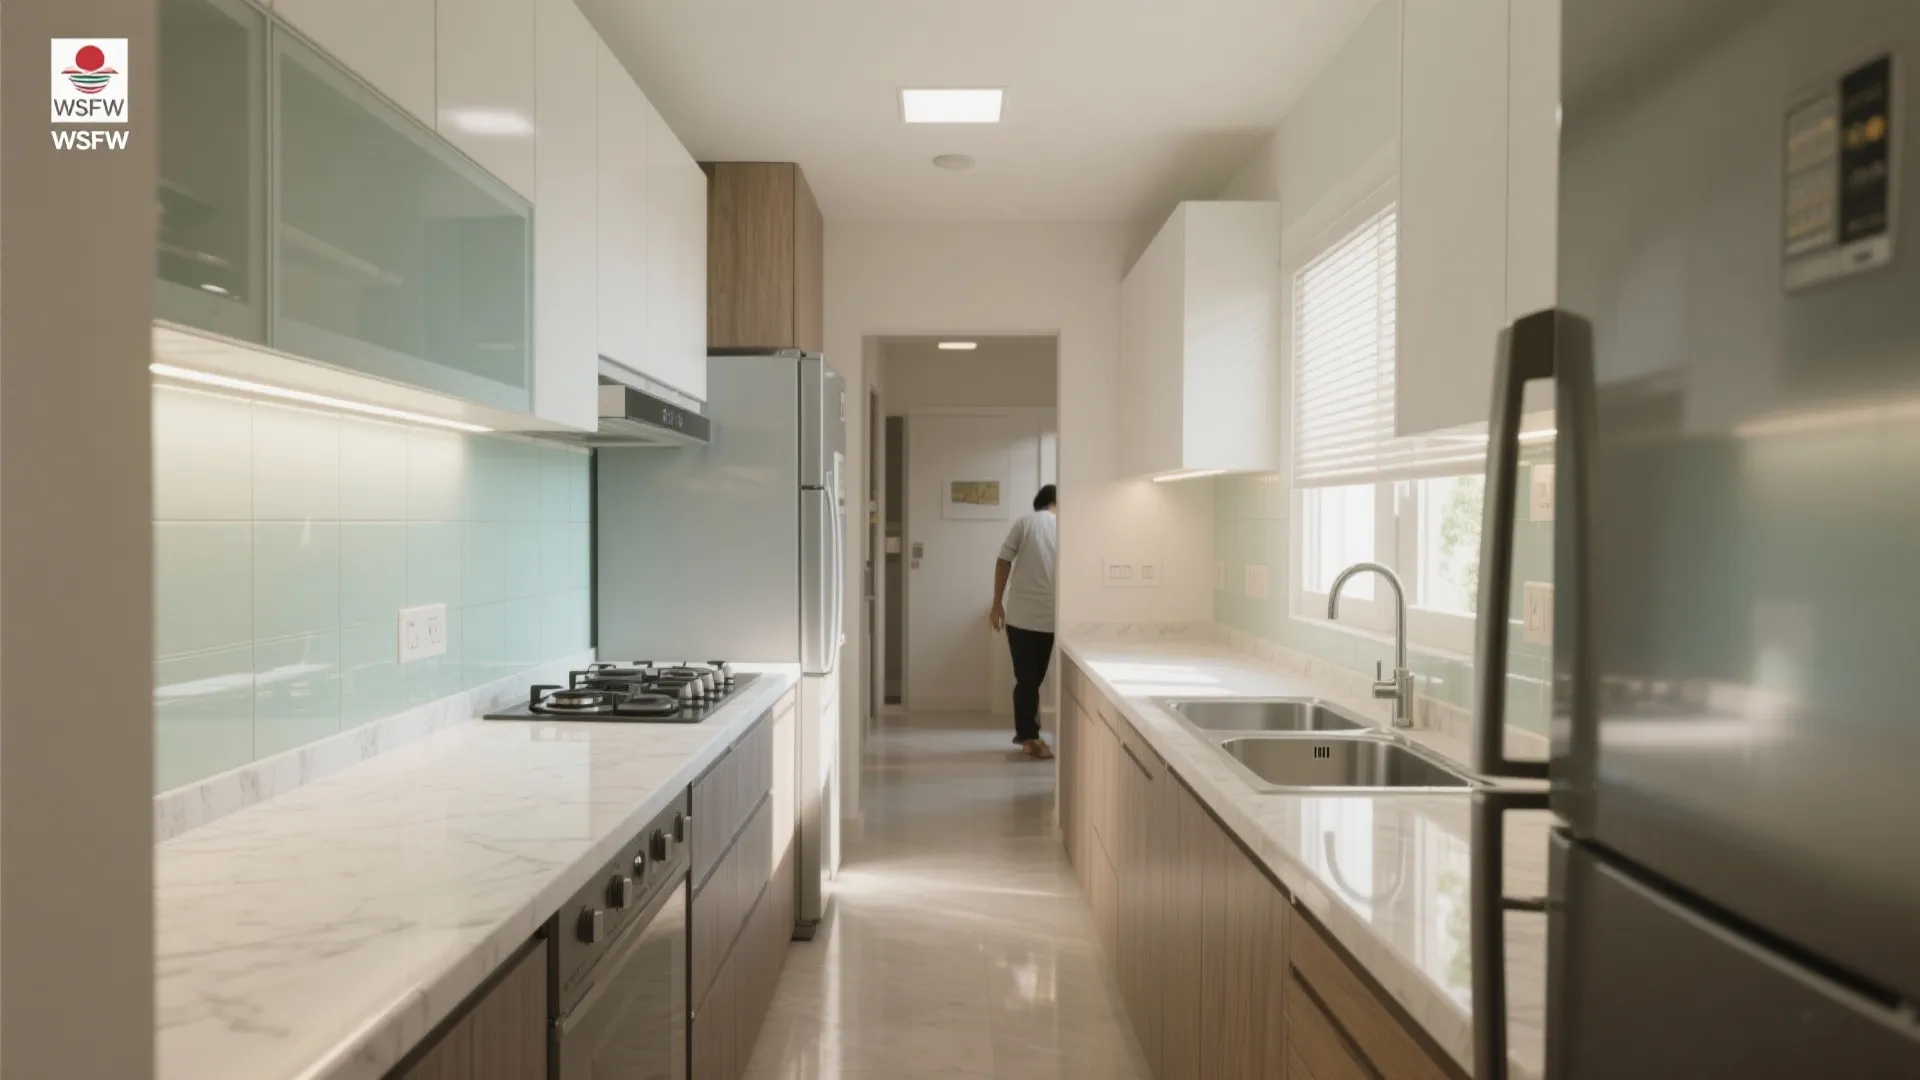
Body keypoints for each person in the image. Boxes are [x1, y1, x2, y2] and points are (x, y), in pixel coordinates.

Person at [990, 484, 1058, 760]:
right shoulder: (1064, 527)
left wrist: (997, 604)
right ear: (1056, 502)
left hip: (1020, 616)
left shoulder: (1024, 523)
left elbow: (1003, 560)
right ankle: (1030, 736)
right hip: (1052, 616)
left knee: (1027, 679)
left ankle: (1029, 735)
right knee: (1033, 679)